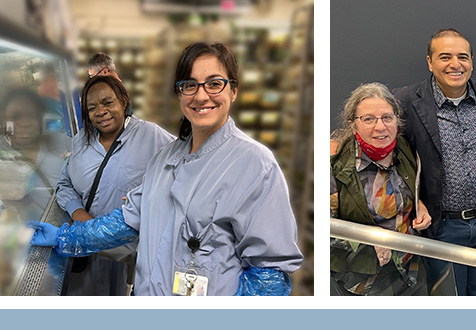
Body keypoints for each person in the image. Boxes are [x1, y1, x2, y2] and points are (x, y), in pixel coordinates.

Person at [29, 42, 303, 295]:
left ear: (233, 89)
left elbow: (269, 275)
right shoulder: (164, 159)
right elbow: (125, 222)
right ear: (180, 93)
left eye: (214, 84)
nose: (201, 95)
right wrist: (64, 237)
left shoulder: (255, 165)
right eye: (190, 85)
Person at [392, 28, 476, 296]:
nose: (455, 64)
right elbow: (394, 158)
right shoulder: (406, 100)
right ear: (430, 62)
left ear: (471, 61)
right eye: (445, 57)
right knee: (447, 301)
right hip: (442, 226)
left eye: (463, 57)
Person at [54, 75, 174, 295]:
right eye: (92, 108)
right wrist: (78, 211)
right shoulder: (81, 141)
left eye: (108, 102)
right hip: (82, 247)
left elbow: (185, 169)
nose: (100, 112)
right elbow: (64, 183)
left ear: (124, 101)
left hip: (122, 255)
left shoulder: (151, 136)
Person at [329, 82, 431, 295]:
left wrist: (419, 204)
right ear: (353, 124)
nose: (380, 127)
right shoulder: (334, 164)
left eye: (387, 117)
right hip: (364, 281)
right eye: (368, 119)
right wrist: (367, 236)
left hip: (410, 269)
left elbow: (410, 189)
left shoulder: (405, 149)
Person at [0, 87, 71, 209]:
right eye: (15, 117)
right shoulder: (3, 155)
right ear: (3, 120)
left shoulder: (62, 144)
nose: (24, 123)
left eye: (31, 116)